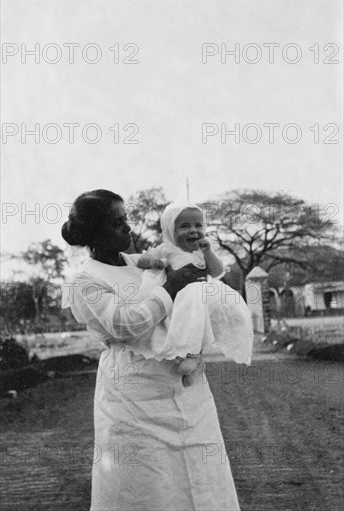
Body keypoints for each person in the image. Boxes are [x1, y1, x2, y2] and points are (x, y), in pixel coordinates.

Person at [61, 189, 242, 511]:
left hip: (184, 388)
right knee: (144, 480)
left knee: (200, 470)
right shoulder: (85, 282)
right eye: (117, 223)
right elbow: (125, 326)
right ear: (94, 232)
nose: (128, 228)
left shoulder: (144, 262)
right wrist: (172, 288)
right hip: (132, 395)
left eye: (126, 219)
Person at [133, 202, 253, 376]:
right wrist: (153, 262)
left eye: (198, 225)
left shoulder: (202, 249)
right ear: (170, 231)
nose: (193, 230)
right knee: (186, 326)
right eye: (184, 226)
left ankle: (196, 358)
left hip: (205, 295)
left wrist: (209, 253)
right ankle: (187, 357)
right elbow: (142, 260)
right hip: (181, 296)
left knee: (214, 320)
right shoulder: (166, 248)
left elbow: (217, 272)